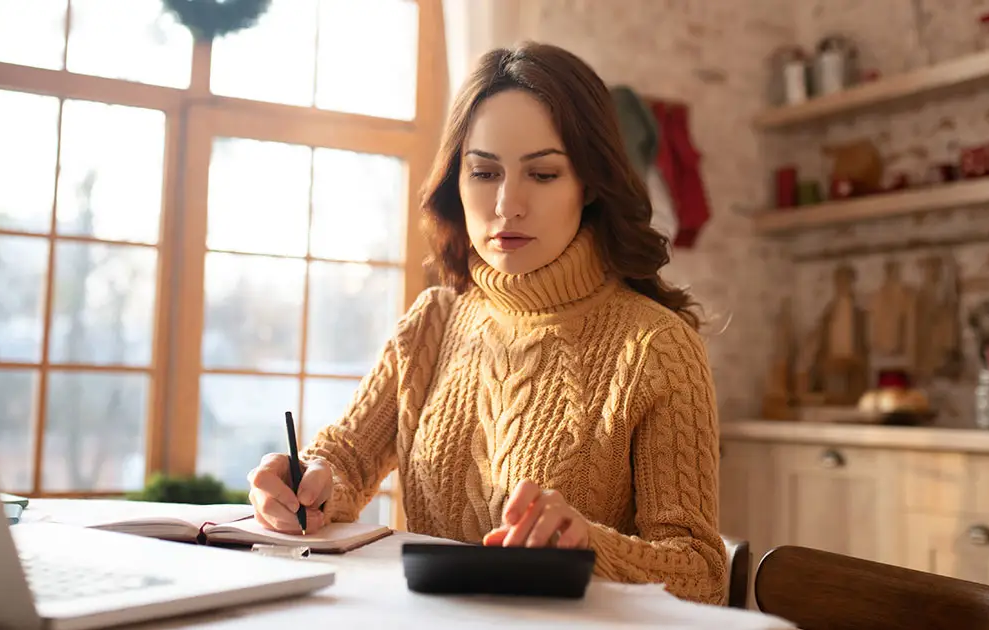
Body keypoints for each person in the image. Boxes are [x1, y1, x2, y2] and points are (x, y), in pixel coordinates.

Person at [246, 41, 727, 605]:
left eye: (543, 174)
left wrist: (589, 548)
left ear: (590, 184)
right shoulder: (432, 322)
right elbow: (346, 461)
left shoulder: (655, 346)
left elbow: (702, 575)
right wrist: (303, 484)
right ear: (457, 179)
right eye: (483, 172)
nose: (506, 204)